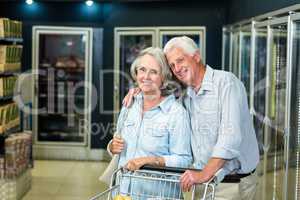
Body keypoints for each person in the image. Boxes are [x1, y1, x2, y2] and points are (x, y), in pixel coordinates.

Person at [123, 36, 259, 200]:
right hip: (201, 184)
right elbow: (160, 98)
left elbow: (230, 138)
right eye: (172, 65)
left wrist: (203, 174)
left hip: (231, 184)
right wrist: (139, 91)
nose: (177, 68)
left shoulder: (226, 83)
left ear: (196, 56)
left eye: (180, 60)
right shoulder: (187, 98)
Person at [108, 47, 192, 199]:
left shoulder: (176, 113)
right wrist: (112, 146)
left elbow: (184, 159)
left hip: (158, 195)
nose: (146, 76)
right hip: (124, 193)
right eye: (142, 70)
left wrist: (151, 160)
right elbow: (118, 143)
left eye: (153, 72)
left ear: (164, 78)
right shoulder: (130, 104)